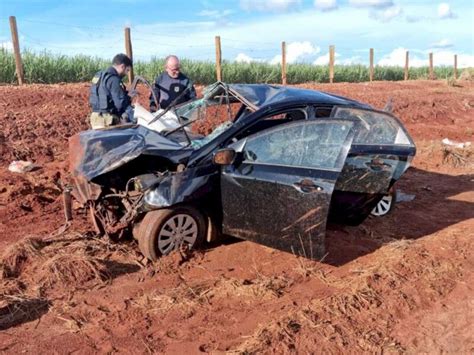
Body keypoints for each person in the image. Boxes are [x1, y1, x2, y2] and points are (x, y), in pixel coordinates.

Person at [89, 53, 134, 129]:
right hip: (107, 120)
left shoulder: (99, 76)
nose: (127, 73)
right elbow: (120, 104)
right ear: (122, 66)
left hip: (95, 119)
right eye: (127, 70)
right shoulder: (114, 79)